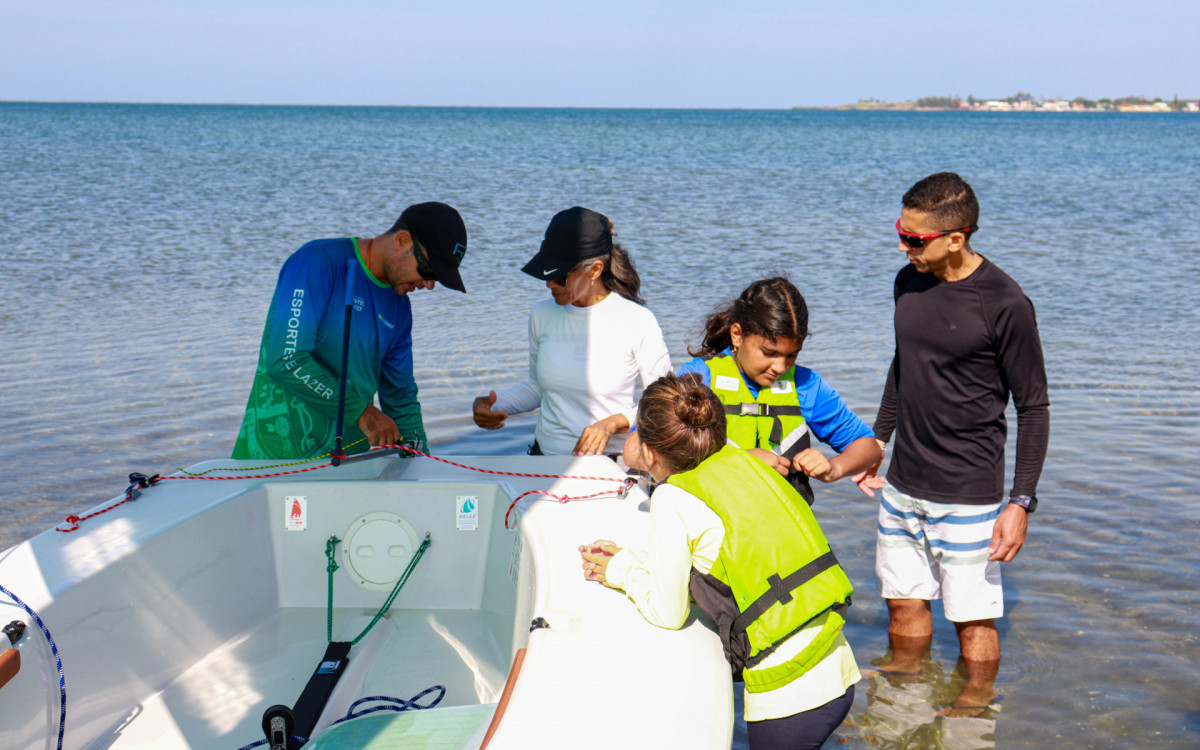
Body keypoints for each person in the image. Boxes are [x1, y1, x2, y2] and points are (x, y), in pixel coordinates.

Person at [580, 373, 860, 750]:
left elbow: (668, 612)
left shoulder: (671, 498)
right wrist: (638, 559)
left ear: (648, 453)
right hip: (838, 665)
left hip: (790, 699)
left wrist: (620, 570)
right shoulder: (741, 460)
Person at [855, 172, 1050, 713]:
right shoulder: (906, 282)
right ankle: (903, 701)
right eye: (901, 232)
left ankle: (974, 710)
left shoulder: (1005, 303)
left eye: (914, 239)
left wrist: (1021, 503)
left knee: (971, 622)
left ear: (956, 238)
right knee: (902, 607)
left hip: (969, 494)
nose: (902, 246)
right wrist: (877, 441)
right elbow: (905, 366)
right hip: (901, 487)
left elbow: (1033, 407)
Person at [233, 202, 469, 460]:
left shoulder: (399, 309)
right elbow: (285, 360)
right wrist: (362, 413)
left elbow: (400, 398)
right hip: (275, 457)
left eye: (437, 279)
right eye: (428, 270)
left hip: (350, 465)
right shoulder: (317, 262)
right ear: (402, 241)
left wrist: (423, 464)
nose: (429, 284)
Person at [625, 277, 881, 504]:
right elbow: (634, 451)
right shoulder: (700, 378)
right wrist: (738, 462)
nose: (780, 366)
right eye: (769, 353)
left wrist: (833, 468)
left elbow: (868, 446)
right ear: (737, 335)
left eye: (791, 355)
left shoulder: (806, 385)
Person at [471, 206, 671, 456]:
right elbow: (538, 389)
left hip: (610, 463)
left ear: (595, 270)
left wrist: (612, 423)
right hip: (542, 458)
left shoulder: (638, 321)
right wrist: (491, 405)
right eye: (546, 272)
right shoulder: (541, 315)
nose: (549, 283)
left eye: (559, 275)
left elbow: (663, 403)